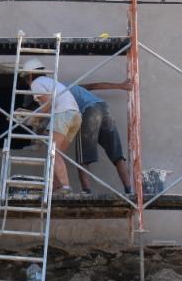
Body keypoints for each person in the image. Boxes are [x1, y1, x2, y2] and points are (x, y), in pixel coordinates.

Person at [21, 59, 81, 192]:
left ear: (29, 75)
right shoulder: (51, 82)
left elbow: (47, 104)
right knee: (56, 155)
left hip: (63, 115)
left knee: (53, 152)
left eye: (26, 79)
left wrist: (32, 117)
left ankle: (65, 186)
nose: (27, 82)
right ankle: (55, 187)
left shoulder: (36, 83)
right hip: (75, 115)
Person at [68, 83, 133, 195]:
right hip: (104, 108)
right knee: (117, 155)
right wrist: (120, 86)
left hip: (90, 111)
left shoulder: (58, 93)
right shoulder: (73, 87)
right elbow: (94, 85)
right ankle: (129, 190)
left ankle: (87, 192)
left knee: (83, 157)